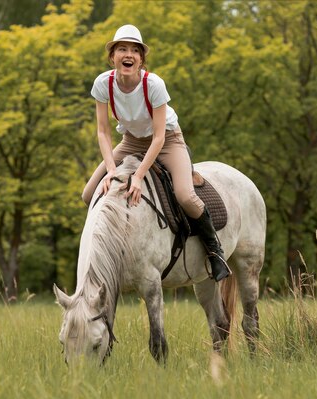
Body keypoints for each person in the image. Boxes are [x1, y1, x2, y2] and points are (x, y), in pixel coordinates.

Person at [82, 24, 230, 281]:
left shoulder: (154, 84)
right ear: (112, 56)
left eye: (134, 51)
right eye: (122, 49)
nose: (128, 55)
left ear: (141, 59)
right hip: (130, 141)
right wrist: (113, 171)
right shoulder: (102, 84)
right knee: (88, 195)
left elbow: (160, 136)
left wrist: (138, 175)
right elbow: (103, 132)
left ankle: (215, 252)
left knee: (185, 195)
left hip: (168, 141)